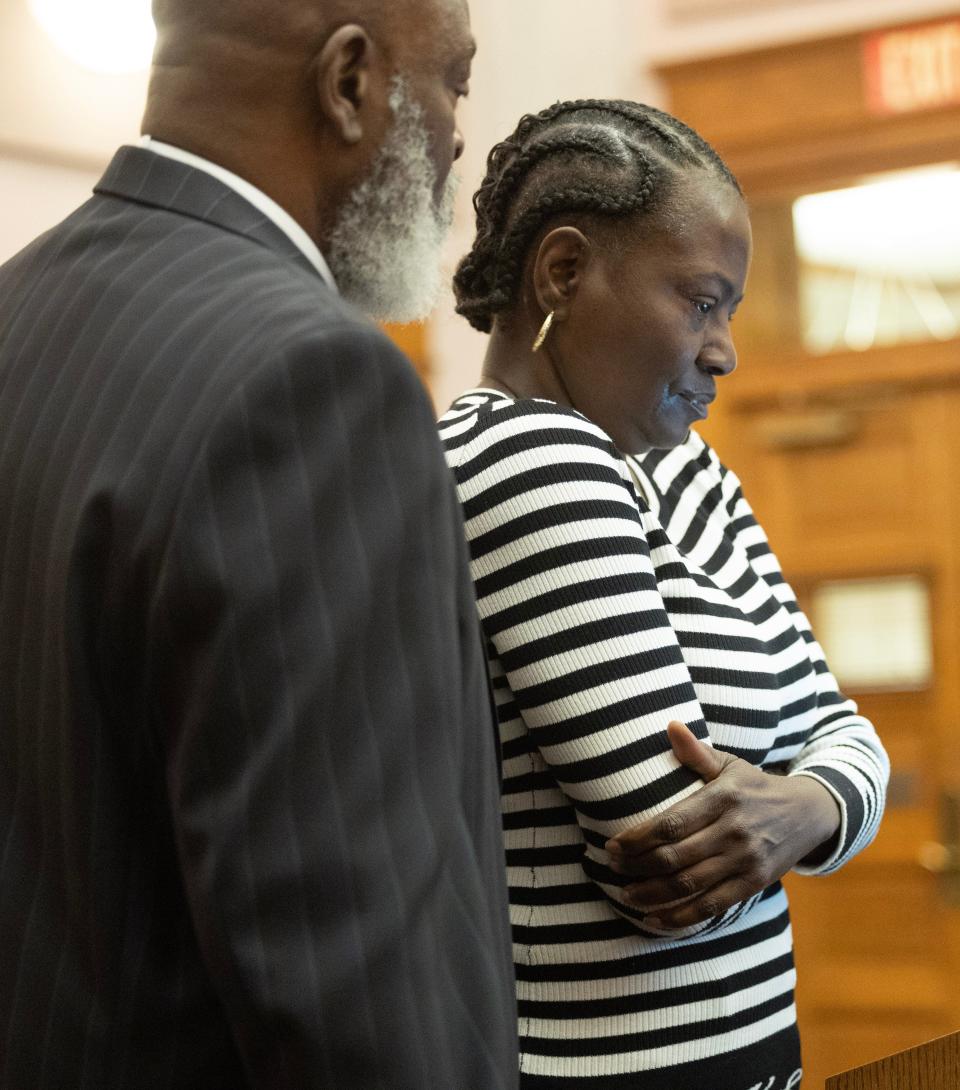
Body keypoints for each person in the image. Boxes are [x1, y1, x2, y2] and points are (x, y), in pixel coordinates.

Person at [0, 1, 519, 1087]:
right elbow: (365, 998)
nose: (460, 134)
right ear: (349, 84)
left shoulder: (17, 313)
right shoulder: (317, 383)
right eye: (453, 85)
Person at [439, 99, 889, 1090]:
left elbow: (851, 737)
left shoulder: (690, 475)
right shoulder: (521, 457)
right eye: (701, 301)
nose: (726, 349)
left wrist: (807, 805)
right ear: (563, 270)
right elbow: (668, 878)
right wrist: (811, 807)